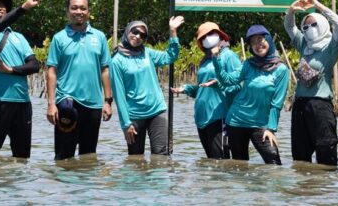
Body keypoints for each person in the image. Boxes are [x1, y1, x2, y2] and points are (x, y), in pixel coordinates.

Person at [46, 0, 113, 160]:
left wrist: (108, 102)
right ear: (68, 11)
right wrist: (51, 104)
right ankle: (63, 185)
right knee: (63, 157)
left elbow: (105, 70)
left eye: (83, 8)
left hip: (93, 103)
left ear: (89, 11)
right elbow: (51, 71)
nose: (79, 11)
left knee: (89, 156)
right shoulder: (59, 38)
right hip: (67, 100)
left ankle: (85, 186)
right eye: (74, 7)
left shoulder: (99, 37)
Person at [211, 25, 289, 165]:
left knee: (273, 162)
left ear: (269, 40)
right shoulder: (248, 64)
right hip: (236, 121)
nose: (258, 45)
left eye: (260, 39)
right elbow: (228, 81)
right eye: (253, 42)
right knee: (239, 166)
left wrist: (271, 129)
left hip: (261, 125)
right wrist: (216, 60)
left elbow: (277, 103)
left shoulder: (281, 69)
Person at [0, 0, 42, 158]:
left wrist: (11, 70)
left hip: (23, 103)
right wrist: (25, 7)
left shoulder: (19, 37)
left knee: (22, 157)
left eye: (2, 5)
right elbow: (3, 23)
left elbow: (34, 65)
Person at [110, 16, 184, 156]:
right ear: (127, 31)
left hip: (157, 110)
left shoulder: (147, 53)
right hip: (134, 117)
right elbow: (119, 96)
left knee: (161, 155)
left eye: (142, 35)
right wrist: (126, 124)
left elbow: (171, 56)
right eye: (135, 32)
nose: (138, 36)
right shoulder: (117, 61)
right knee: (135, 159)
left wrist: (173, 31)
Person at [284, 0, 338, 166]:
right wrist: (291, 10)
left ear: (323, 25)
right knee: (300, 158)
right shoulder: (304, 44)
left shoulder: (330, 47)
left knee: (326, 153)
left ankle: (324, 190)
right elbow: (289, 27)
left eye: (314, 24)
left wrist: (318, 6)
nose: (309, 29)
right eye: (306, 26)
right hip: (300, 106)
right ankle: (305, 189)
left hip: (321, 106)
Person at [171, 22, 241, 159]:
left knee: (220, 162)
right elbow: (202, 88)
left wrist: (219, 84)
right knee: (210, 162)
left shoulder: (229, 56)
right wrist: (186, 89)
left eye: (211, 34)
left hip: (220, 116)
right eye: (204, 37)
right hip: (202, 117)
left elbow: (239, 86)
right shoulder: (205, 60)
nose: (208, 38)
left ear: (219, 35)